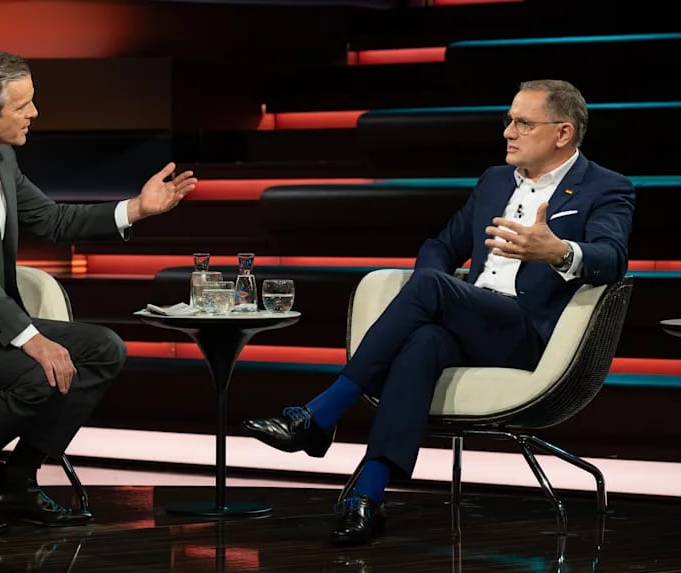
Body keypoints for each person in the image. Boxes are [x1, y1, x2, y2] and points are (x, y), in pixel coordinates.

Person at [242, 79, 634, 546]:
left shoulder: (605, 187)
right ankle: (366, 497)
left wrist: (558, 251)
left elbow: (613, 257)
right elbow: (441, 246)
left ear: (563, 133)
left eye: (523, 123)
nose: (508, 131)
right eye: (508, 120)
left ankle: (321, 414)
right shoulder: (494, 181)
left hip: (525, 332)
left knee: (430, 290)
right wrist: (434, 295)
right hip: (470, 319)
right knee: (423, 340)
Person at [0, 47, 197, 533]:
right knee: (37, 373)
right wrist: (29, 337)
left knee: (104, 349)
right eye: (23, 105)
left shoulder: (0, 155)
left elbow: (51, 218)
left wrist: (135, 209)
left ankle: (16, 483)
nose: (34, 113)